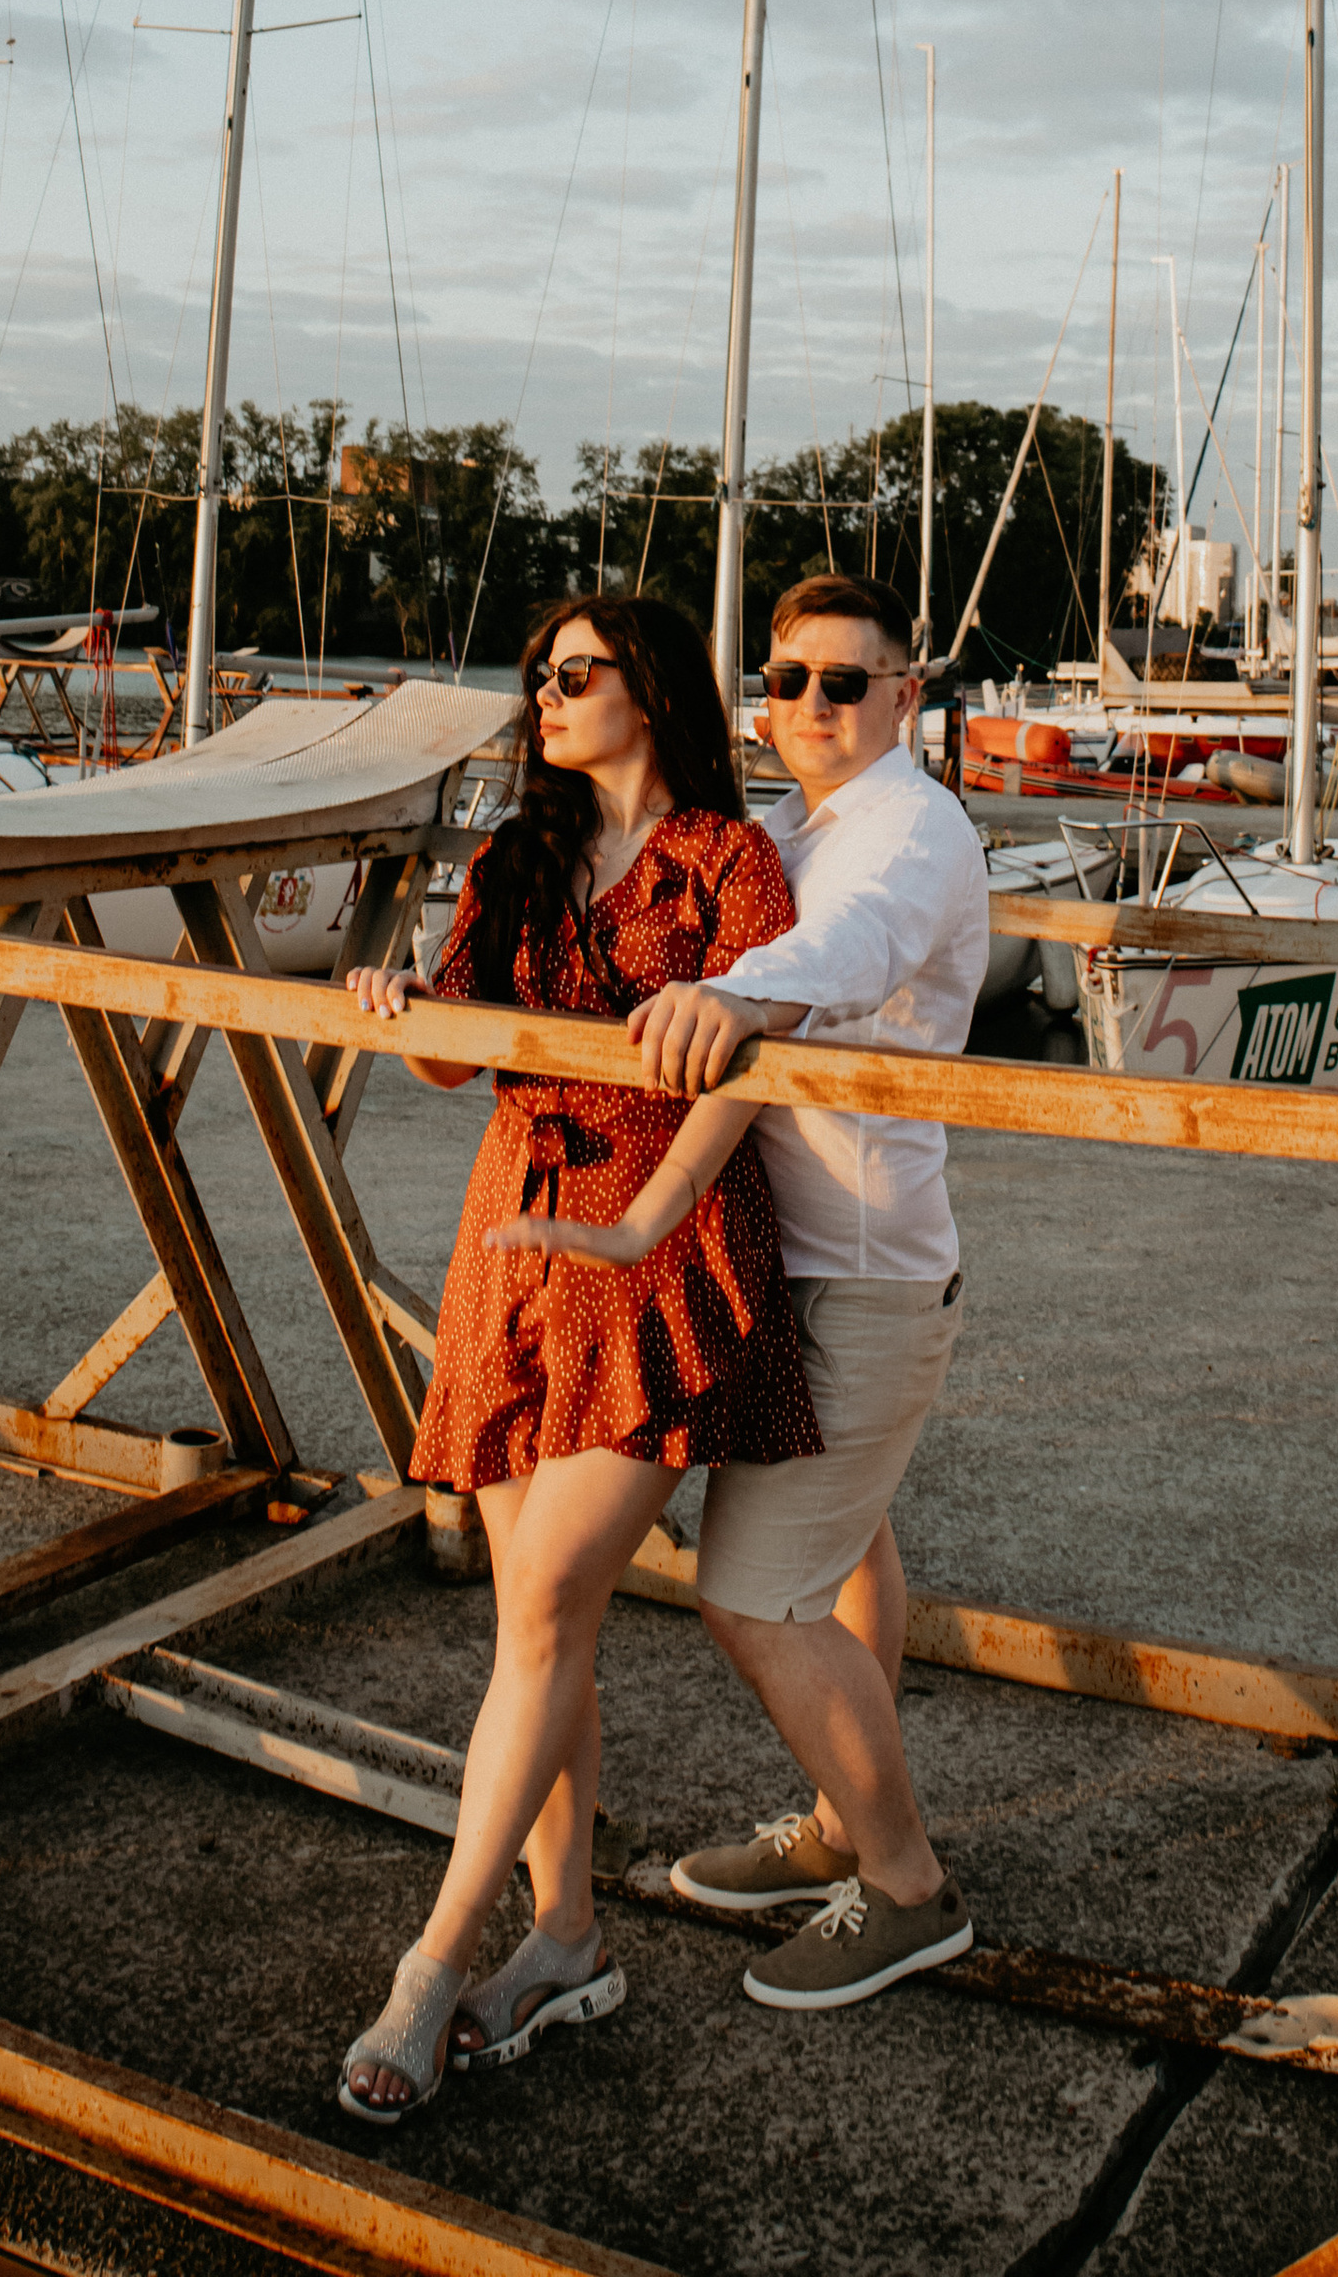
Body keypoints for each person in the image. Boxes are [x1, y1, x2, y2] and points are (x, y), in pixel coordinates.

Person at [333, 595, 819, 2124]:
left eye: (578, 672)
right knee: (543, 1630)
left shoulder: (727, 861)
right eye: (537, 673)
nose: (546, 692)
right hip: (517, 1242)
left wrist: (651, 1199)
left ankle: (431, 1966)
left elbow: (752, 1044)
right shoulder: (516, 857)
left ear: (652, 691)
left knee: (543, 1605)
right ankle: (566, 1940)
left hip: (657, 1246)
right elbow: (449, 1054)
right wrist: (404, 999)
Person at [522, 569, 991, 2013]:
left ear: (906, 694)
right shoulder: (793, 827)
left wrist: (732, 999)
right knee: (853, 1548)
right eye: (788, 681)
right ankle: (843, 1825)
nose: (813, 706)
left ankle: (905, 1885)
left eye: (847, 683)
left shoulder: (910, 830)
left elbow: (845, 947)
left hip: (863, 1269)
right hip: (785, 1256)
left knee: (752, 1594)